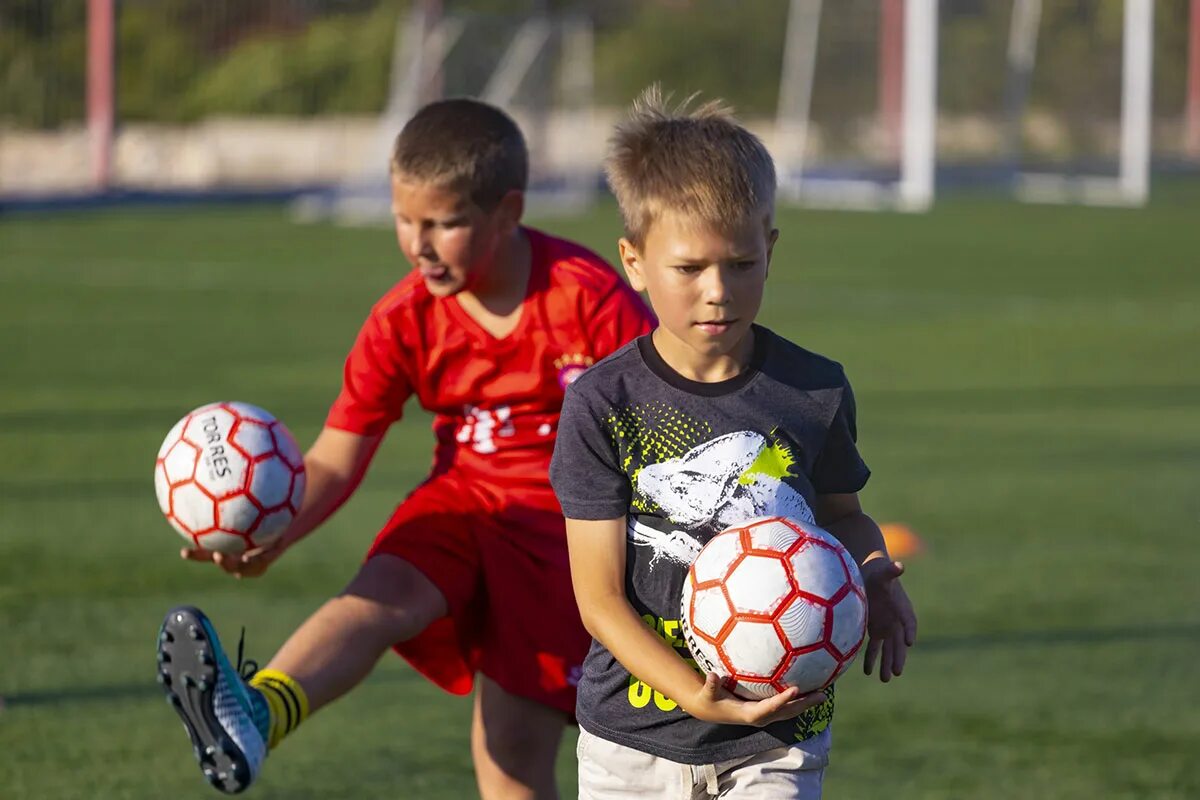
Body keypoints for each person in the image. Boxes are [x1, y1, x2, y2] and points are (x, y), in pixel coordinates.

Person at [156, 97, 654, 798]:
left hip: (567, 531)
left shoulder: (590, 299)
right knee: (379, 595)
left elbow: (666, 433)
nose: (419, 243)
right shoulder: (403, 319)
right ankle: (256, 714)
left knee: (510, 759)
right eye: (404, 220)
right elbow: (334, 456)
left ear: (508, 212)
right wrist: (275, 533)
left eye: (445, 223)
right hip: (464, 505)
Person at [548, 87, 918, 799]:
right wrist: (694, 693)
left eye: (741, 264)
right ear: (634, 261)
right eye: (688, 269)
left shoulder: (813, 390)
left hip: (778, 738)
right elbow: (597, 601)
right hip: (632, 741)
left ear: (770, 250)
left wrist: (874, 572)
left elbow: (842, 515)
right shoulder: (603, 402)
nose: (717, 290)